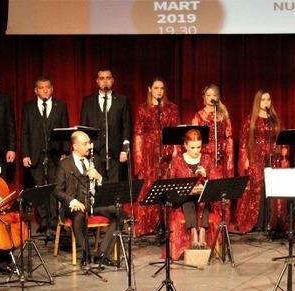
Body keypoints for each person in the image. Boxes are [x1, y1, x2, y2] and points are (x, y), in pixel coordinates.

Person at [53, 130, 120, 266]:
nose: (90, 146)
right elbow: (57, 190)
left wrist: (99, 177)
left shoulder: (95, 161)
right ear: (75, 146)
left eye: (90, 143)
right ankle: (87, 254)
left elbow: (105, 187)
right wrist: (72, 200)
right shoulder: (65, 164)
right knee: (78, 216)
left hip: (94, 203)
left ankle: (102, 254)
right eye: (85, 143)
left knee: (119, 213)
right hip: (74, 205)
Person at [21, 76, 69, 240]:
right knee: (40, 188)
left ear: (52, 88)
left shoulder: (60, 105)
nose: (45, 90)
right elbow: (25, 131)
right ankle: (44, 221)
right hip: (36, 154)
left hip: (55, 154)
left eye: (47, 87)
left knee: (54, 188)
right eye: (41, 88)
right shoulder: (28, 107)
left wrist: (64, 151)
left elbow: (65, 130)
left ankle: (55, 222)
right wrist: (26, 154)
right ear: (36, 90)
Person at [236, 90, 290, 235]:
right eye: (263, 100)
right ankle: (257, 223)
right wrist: (245, 158)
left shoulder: (275, 120)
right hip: (256, 159)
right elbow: (243, 142)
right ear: (257, 102)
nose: (266, 102)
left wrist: (283, 152)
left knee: (272, 189)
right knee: (257, 189)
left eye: (268, 99)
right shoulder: (250, 120)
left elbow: (282, 138)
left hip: (273, 159)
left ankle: (272, 222)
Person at [133, 77, 180, 235]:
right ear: (149, 89)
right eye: (156, 88)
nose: (159, 91)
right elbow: (138, 134)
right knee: (149, 185)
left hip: (166, 152)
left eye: (161, 88)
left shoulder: (171, 108)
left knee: (165, 184)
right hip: (149, 153)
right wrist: (139, 160)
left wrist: (175, 151)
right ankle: (149, 225)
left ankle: (166, 223)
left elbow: (175, 131)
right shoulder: (142, 108)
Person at [79, 68, 132, 183]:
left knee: (115, 186)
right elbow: (83, 128)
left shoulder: (122, 100)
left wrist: (125, 150)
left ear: (112, 80)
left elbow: (126, 126)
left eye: (108, 78)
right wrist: (85, 149)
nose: (105, 81)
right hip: (96, 152)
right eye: (102, 78)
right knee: (98, 185)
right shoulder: (88, 101)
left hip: (116, 152)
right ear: (97, 81)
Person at [168, 128, 213, 255]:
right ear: (185, 145)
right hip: (184, 198)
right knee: (188, 202)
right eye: (192, 147)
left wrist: (206, 176)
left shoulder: (207, 159)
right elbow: (171, 183)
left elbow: (215, 183)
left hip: (202, 196)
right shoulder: (177, 160)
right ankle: (193, 231)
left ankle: (203, 232)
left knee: (205, 199)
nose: (196, 151)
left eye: (198, 147)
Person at [191, 83, 234, 180]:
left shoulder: (222, 114)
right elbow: (194, 138)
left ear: (218, 97)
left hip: (221, 154)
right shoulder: (198, 115)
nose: (211, 97)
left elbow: (229, 136)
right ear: (204, 97)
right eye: (208, 95)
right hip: (205, 154)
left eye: (214, 95)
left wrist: (230, 156)